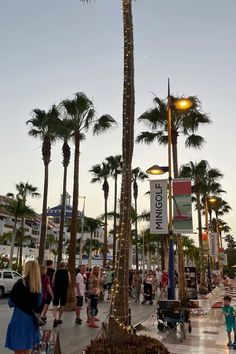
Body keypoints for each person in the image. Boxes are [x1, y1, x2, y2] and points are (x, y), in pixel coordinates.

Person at [5, 260, 42, 354]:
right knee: (27, 347)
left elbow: (11, 301)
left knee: (17, 348)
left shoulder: (20, 282)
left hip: (19, 317)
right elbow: (39, 304)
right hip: (31, 319)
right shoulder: (38, 285)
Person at [52, 261, 71, 328]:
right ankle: (59, 318)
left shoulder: (56, 272)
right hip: (64, 290)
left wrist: (54, 287)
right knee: (62, 304)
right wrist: (67, 288)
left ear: (60, 266)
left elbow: (53, 281)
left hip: (57, 290)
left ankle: (55, 318)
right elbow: (69, 281)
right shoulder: (67, 272)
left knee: (55, 304)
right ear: (65, 266)